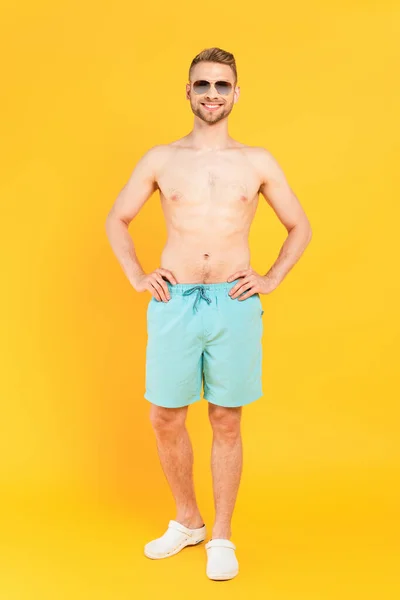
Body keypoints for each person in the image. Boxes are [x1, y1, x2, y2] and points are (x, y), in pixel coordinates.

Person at [105, 46, 312, 580]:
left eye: (222, 85)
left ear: (236, 93)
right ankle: (188, 520)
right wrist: (136, 275)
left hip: (232, 303)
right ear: (189, 92)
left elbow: (300, 227)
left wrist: (269, 278)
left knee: (225, 418)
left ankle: (221, 535)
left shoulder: (257, 161)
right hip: (173, 302)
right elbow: (117, 218)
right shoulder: (161, 158)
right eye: (203, 85)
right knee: (166, 416)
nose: (213, 93)